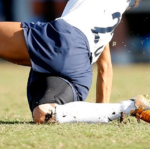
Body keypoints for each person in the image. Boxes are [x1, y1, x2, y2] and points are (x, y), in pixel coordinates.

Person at [0, 0, 144, 124]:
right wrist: (101, 112)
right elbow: (105, 68)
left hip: (63, 39)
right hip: (79, 70)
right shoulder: (111, 12)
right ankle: (129, 106)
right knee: (43, 113)